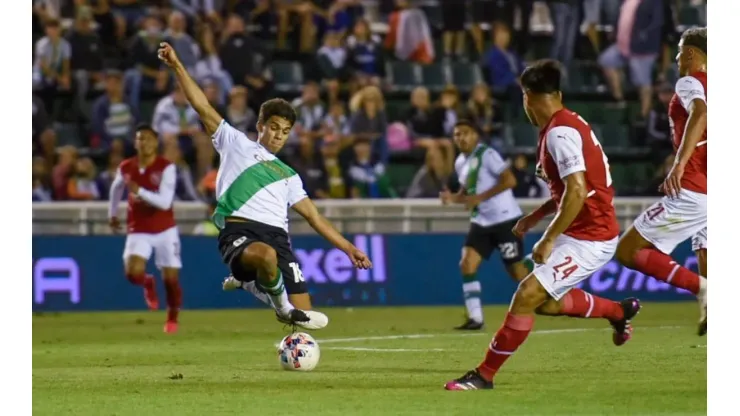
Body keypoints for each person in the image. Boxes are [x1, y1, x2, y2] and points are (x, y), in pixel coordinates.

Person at [444, 60, 641, 390]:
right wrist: (536, 216)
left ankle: (484, 376)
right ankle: (618, 312)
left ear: (527, 97)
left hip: (591, 237)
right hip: (581, 230)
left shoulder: (559, 135)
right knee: (546, 303)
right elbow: (572, 188)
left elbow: (578, 190)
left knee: (525, 295)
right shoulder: (566, 124)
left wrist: (547, 238)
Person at [157, 41, 373, 330]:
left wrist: (348, 248)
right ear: (260, 124)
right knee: (266, 258)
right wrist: (177, 66)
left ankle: (257, 293)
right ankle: (277, 303)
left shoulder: (289, 175)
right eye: (273, 127)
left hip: (279, 240)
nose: (278, 136)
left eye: (285, 131)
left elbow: (314, 217)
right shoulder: (235, 143)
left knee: (305, 322)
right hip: (240, 231)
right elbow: (202, 106)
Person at [615, 28, 708, 336]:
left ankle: (704, 289)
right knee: (706, 250)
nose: (678, 58)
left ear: (693, 54)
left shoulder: (689, 82)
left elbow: (700, 112)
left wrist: (679, 164)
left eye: (681, 52)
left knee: (627, 250)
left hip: (694, 188)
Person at [440, 120, 524, 329]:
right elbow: (467, 195)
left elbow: (510, 180)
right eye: (457, 134)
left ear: (475, 135)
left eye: (465, 133)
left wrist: (480, 197)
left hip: (505, 219)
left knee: (517, 273)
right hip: (482, 222)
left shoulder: (487, 154)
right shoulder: (460, 162)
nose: (461, 138)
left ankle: (545, 275)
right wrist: (453, 198)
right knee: (467, 263)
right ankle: (476, 318)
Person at [108, 124, 183, 334]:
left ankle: (172, 318)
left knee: (170, 279)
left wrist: (139, 191)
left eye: (148, 138)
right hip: (138, 228)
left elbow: (165, 202)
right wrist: (112, 214)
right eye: (140, 138)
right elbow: (116, 189)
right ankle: (147, 282)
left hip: (165, 229)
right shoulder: (126, 167)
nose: (144, 142)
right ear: (135, 142)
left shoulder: (166, 167)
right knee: (132, 273)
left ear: (155, 142)